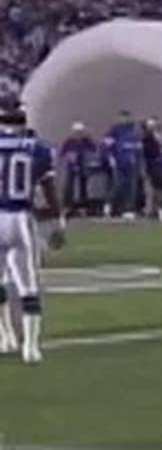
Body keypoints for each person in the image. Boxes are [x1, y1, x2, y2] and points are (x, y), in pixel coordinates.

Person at [0, 97, 62, 363]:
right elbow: (48, 191)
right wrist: (56, 220)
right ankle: (31, 347)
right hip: (21, 218)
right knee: (28, 286)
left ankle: (5, 336)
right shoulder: (38, 148)